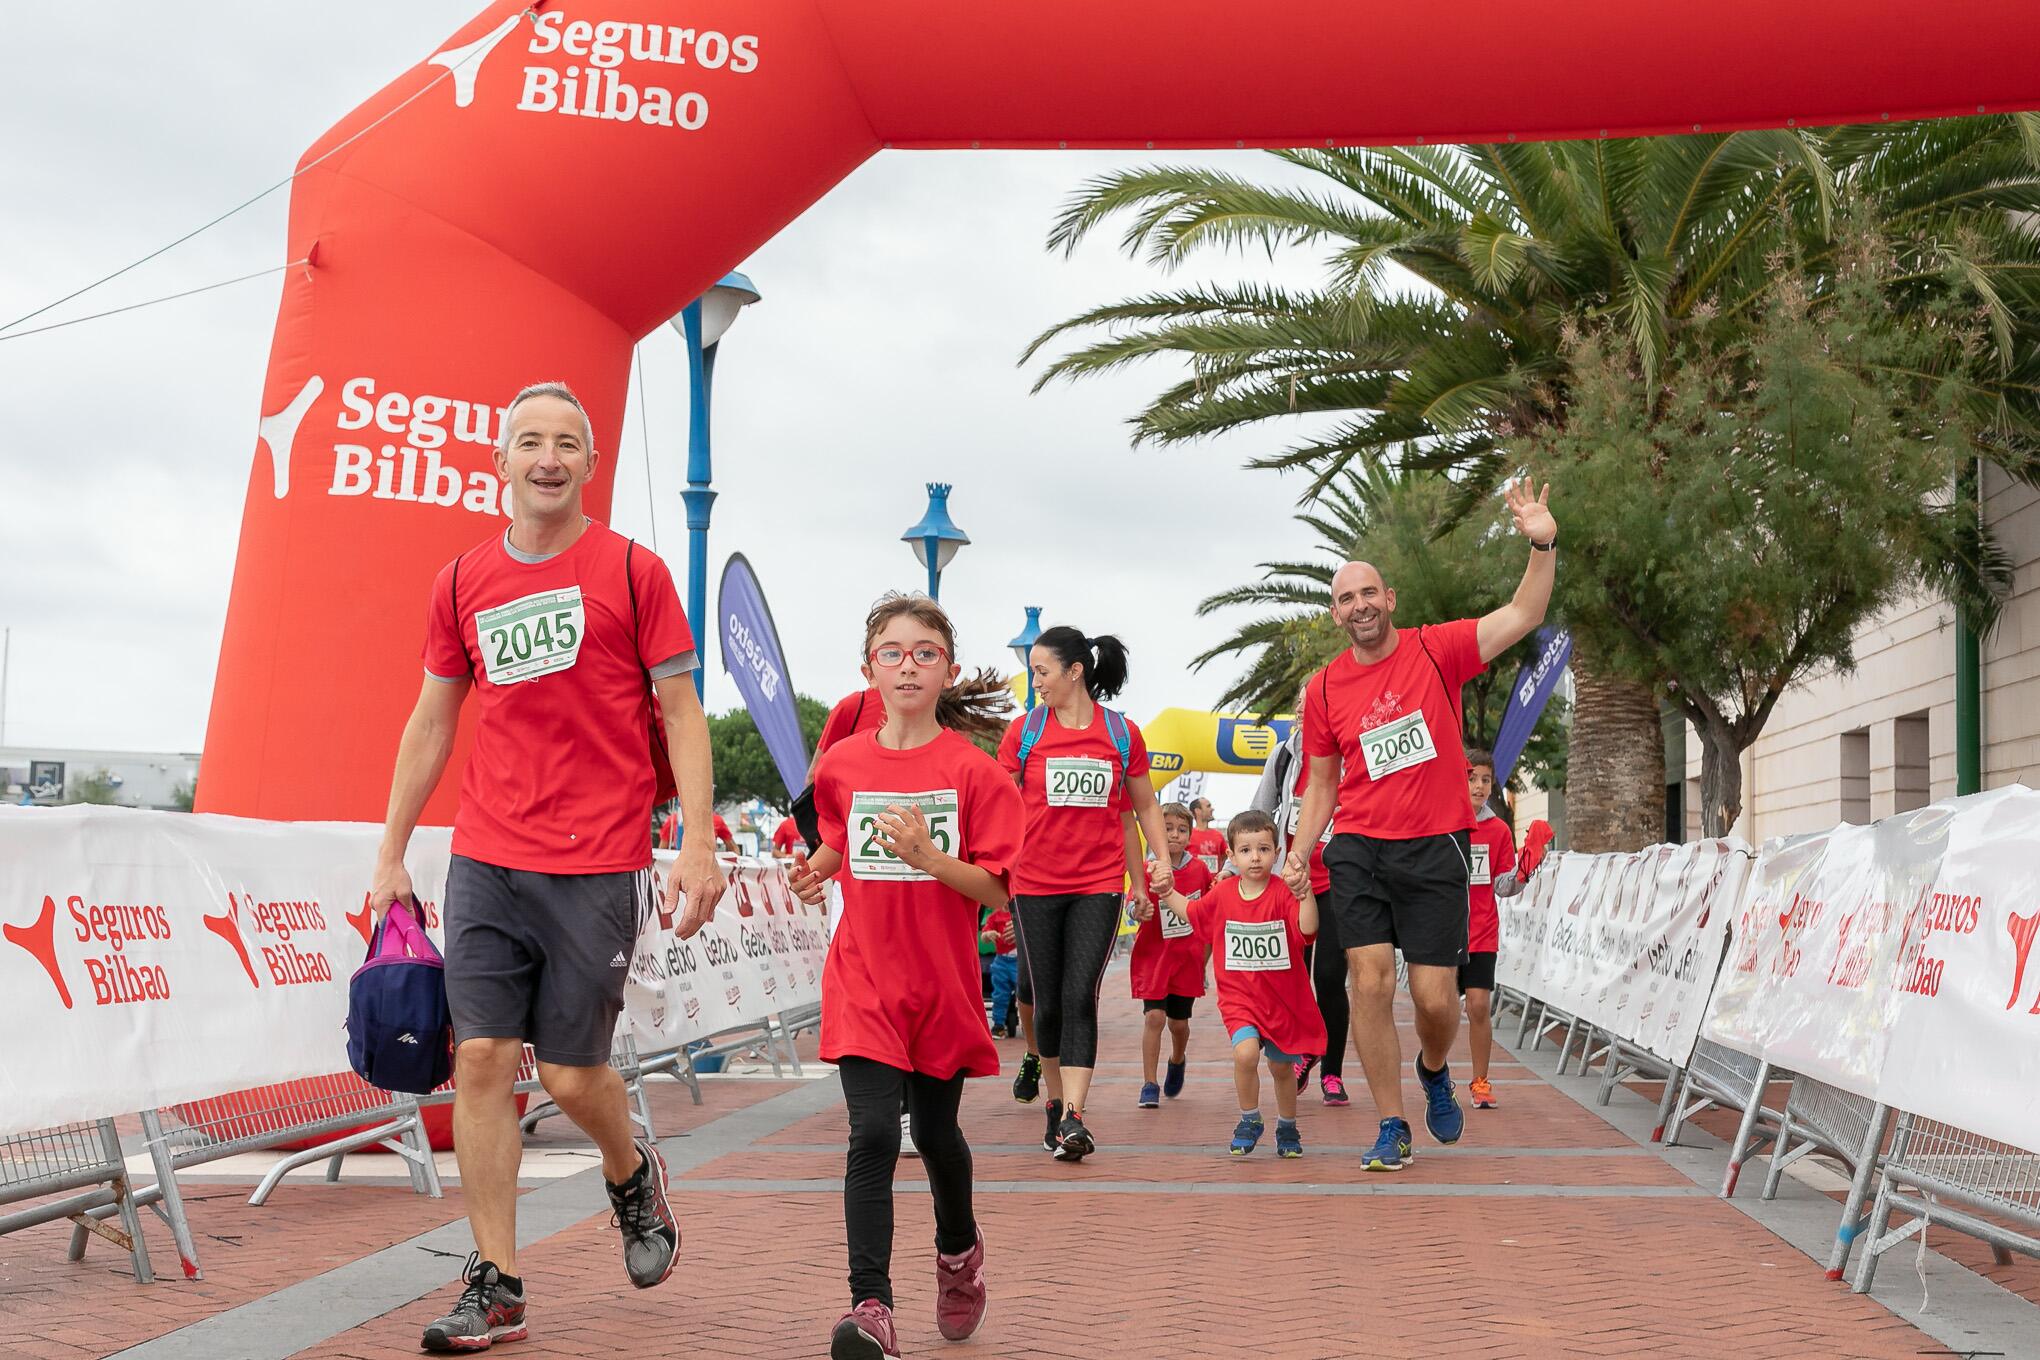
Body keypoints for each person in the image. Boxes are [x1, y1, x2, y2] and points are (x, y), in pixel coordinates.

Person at [367, 382, 726, 1353]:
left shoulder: (633, 571)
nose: (549, 457)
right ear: (501, 461)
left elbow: (684, 712)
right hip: (488, 853)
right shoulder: (460, 582)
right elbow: (435, 715)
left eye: (568, 442)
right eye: (530, 440)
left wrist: (697, 838)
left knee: (571, 1073)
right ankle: (498, 1283)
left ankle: (629, 1170)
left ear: (591, 463)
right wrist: (393, 848)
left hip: (600, 859)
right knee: (480, 1058)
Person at [1287, 477, 1556, 1172]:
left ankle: (1434, 1069)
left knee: (1436, 1001)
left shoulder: (1439, 650)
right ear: (1337, 614)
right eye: (1346, 598)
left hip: (1436, 848)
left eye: (1369, 592)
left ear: (1390, 601)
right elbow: (1320, 784)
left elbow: (1526, 612)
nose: (1360, 605)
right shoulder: (1322, 689)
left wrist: (1541, 540)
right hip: (1358, 850)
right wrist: (1299, 851)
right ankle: (1390, 1123)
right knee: (1368, 980)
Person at [785, 594, 1019, 1360]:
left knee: (940, 1133)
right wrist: (814, 874)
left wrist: (930, 860)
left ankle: (959, 1256)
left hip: (942, 983)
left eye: (925, 652)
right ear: (868, 671)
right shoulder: (844, 764)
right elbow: (839, 845)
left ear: (947, 670)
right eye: (893, 652)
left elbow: (996, 889)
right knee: (875, 1131)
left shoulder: (973, 771)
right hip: (863, 977)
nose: (908, 664)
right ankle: (872, 1304)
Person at [999, 625, 1174, 1161]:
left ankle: (1074, 1114)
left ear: (1075, 672)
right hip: (1033, 885)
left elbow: (1142, 807)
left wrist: (1159, 860)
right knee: (1044, 1001)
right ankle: (1055, 1102)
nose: (1036, 682)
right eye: (1033, 672)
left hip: (1098, 886)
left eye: (1042, 672)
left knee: (1080, 997)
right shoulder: (1024, 733)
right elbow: (996, 804)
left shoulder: (1121, 734)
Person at [1160, 809, 1324, 1158]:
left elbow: (1308, 929)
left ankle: (1287, 1126)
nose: (1255, 857)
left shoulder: (1282, 893)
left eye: (1263, 849)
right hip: (1240, 1001)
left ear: (1276, 853)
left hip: (1282, 1002)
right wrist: (1165, 891)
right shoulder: (1223, 895)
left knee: (1282, 1068)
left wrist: (1305, 892)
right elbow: (1192, 913)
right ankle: (1250, 1118)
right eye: (1246, 850)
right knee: (1245, 1053)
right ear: (1231, 856)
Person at [1249, 707, 1352, 1107]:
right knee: (1291, 977)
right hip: (1291, 885)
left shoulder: (1350, 754)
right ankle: (1303, 1049)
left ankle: (1332, 1073)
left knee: (1328, 979)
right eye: (1303, 707)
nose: (1310, 715)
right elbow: (1259, 812)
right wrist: (1232, 867)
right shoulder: (1285, 756)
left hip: (1338, 885)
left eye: (1320, 707)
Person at [1130, 802, 1212, 1107]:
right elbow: (1132, 905)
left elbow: (1207, 913)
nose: (1174, 835)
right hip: (1154, 958)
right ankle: (1149, 1083)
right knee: (1154, 1017)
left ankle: (1177, 1059)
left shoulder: (1199, 869)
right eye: (1167, 829)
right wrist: (1140, 910)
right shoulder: (1146, 867)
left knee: (1178, 1024)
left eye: (1181, 829)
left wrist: (1204, 959)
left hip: (1186, 959)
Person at [1463, 749, 1524, 1110]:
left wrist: (1524, 872)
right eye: (1472, 778)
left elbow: (1504, 885)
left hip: (1482, 930)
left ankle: (1480, 1081)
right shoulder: (1441, 821)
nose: (1480, 786)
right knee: (1434, 1008)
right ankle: (1434, 1072)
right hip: (1441, 931)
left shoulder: (1498, 829)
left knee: (1479, 1006)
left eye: (1486, 779)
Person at [982, 904, 1019, 1036]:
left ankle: (1031, 1023)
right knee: (999, 995)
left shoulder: (1020, 913)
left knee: (1026, 993)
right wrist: (988, 934)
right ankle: (998, 1025)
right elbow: (984, 936)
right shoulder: (995, 916)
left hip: (1019, 960)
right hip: (1002, 960)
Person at [660, 805, 736, 852]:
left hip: (706, 868)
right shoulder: (673, 820)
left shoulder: (716, 820)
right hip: (680, 867)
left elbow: (734, 849)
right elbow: (662, 850)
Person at [1186, 798, 1228, 875]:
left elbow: (1225, 857)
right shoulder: (1188, 834)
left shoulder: (1218, 835)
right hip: (1195, 883)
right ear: (1197, 811)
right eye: (1208, 806)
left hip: (1214, 884)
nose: (1212, 809)